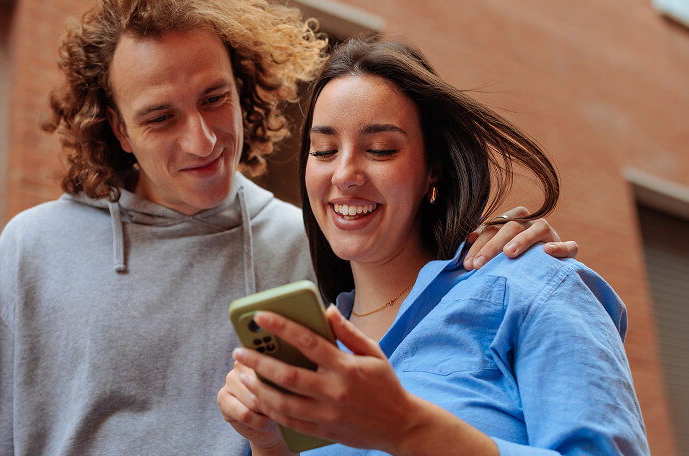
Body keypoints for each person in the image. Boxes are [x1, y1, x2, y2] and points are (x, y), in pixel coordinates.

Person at [0, 1, 577, 454]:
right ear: (118, 129)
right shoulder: (32, 249)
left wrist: (495, 241)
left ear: (242, 87)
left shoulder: (318, 244)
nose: (203, 139)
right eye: (160, 116)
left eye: (215, 98)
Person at [218, 39, 649, 455]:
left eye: (381, 150)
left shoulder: (529, 283)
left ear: (432, 171)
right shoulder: (311, 351)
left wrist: (407, 427)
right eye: (324, 150)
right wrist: (270, 445)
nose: (345, 174)